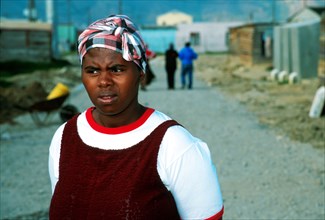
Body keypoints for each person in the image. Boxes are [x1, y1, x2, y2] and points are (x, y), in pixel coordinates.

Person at [48, 14, 223, 219]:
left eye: (117, 69)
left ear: (141, 73)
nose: (104, 81)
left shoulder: (176, 145)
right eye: (92, 70)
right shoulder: (64, 137)